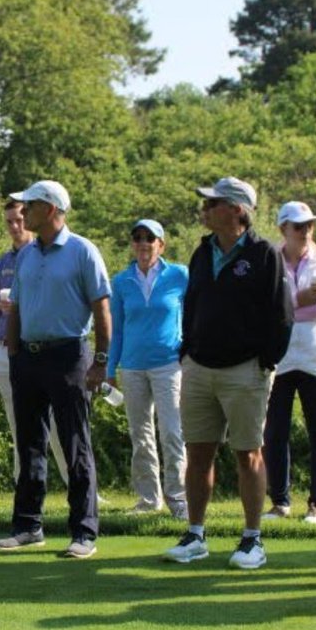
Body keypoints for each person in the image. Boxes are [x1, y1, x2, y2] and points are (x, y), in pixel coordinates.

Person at [164, 177, 293, 571]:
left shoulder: (264, 253)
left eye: (213, 203)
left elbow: (282, 315)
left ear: (237, 210)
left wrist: (265, 361)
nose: (205, 209)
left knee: (247, 454)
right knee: (197, 454)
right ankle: (195, 536)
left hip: (245, 370)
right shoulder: (202, 252)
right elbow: (191, 306)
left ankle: (252, 540)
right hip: (199, 367)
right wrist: (187, 352)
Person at [0, 180, 111, 557]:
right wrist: (14, 355)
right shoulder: (27, 255)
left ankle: (84, 532)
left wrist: (101, 361)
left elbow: (102, 309)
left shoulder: (82, 250)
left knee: (75, 443)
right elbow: (16, 307)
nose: (23, 211)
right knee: (29, 444)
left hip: (69, 355)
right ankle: (28, 526)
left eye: (30, 205)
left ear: (51, 209)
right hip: (28, 358)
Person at [262, 201, 316, 525]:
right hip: (278, 358)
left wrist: (285, 307)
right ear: (283, 229)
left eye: (309, 224)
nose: (305, 230)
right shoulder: (270, 262)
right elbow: (263, 309)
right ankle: (280, 503)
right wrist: (299, 300)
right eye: (298, 226)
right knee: (274, 433)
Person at [107, 219, 188, 519]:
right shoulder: (121, 281)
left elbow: (194, 316)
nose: (143, 243)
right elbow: (117, 330)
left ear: (161, 245)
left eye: (149, 238)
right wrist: (110, 369)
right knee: (140, 436)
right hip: (132, 367)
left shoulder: (179, 275)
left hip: (169, 365)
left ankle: (178, 499)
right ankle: (148, 500)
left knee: (172, 432)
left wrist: (191, 351)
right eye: (138, 238)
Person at [0, 199, 69, 488]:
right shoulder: (1, 265)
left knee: (58, 423)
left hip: (40, 348)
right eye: (9, 221)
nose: (15, 226)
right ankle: (25, 486)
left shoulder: (46, 256)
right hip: (4, 350)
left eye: (19, 219)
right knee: (19, 423)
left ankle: (77, 484)